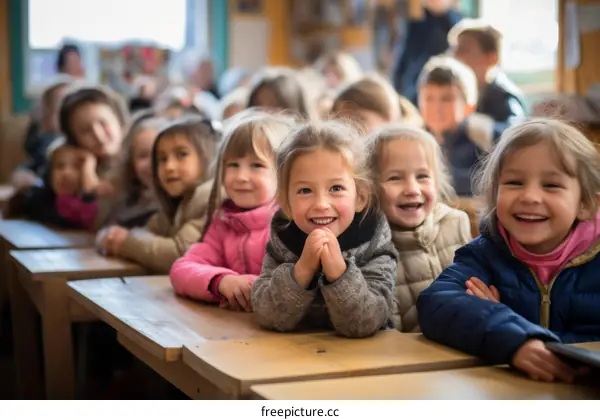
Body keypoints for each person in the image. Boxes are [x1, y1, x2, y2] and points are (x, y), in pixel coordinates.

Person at [418, 119, 600, 382]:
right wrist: (512, 336)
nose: (529, 196)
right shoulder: (486, 253)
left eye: (551, 185)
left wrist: (520, 325)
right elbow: (435, 302)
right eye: (514, 182)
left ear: (585, 204)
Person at [252, 120, 398, 338]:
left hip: (365, 362)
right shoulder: (283, 242)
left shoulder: (373, 243)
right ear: (286, 203)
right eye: (305, 190)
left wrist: (339, 273)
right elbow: (268, 316)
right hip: (293, 357)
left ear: (360, 197)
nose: (321, 204)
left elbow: (365, 323)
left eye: (336, 188)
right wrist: (301, 270)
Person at [170, 110, 294, 310]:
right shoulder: (224, 222)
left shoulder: (293, 226)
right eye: (233, 165)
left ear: (286, 173)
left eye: (256, 165)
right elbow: (182, 268)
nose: (241, 176)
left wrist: (253, 288)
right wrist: (221, 281)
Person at [367, 125, 471, 332]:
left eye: (422, 176)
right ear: (368, 188)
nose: (412, 189)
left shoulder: (456, 223)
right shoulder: (368, 245)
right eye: (395, 178)